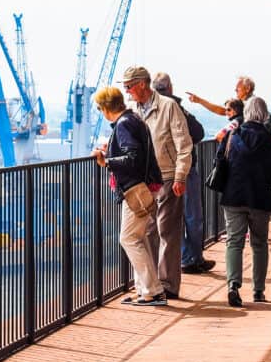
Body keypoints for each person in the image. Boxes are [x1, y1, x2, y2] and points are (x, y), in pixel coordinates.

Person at [91, 86, 166, 306]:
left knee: (128, 238)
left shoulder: (123, 125)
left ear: (106, 108)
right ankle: (145, 290)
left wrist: (108, 160)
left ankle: (152, 290)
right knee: (138, 237)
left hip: (135, 188)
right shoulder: (132, 119)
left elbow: (133, 157)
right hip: (144, 185)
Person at [122, 65, 192, 300]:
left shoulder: (168, 106)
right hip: (144, 182)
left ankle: (168, 284)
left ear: (143, 84)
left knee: (167, 232)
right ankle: (151, 285)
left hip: (168, 176)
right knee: (145, 233)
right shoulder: (131, 110)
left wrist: (181, 176)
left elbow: (184, 144)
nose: (127, 91)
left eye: (129, 86)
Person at [220, 97, 271, 306]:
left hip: (234, 195)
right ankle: (258, 290)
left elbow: (220, 161)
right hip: (259, 198)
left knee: (234, 242)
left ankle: (233, 285)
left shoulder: (232, 135)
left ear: (246, 112)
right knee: (259, 244)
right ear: (265, 114)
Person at [152, 72, 216, 275]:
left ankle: (189, 257)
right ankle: (192, 257)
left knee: (170, 219)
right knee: (192, 216)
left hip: (160, 171)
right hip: (184, 169)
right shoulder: (176, 107)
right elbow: (198, 132)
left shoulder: (150, 109)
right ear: (170, 88)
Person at [185, 75, 255, 117]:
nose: (235, 90)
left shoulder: (251, 104)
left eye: (238, 88)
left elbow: (222, 110)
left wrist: (199, 100)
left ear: (247, 89)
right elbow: (222, 110)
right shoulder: (248, 103)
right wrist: (199, 100)